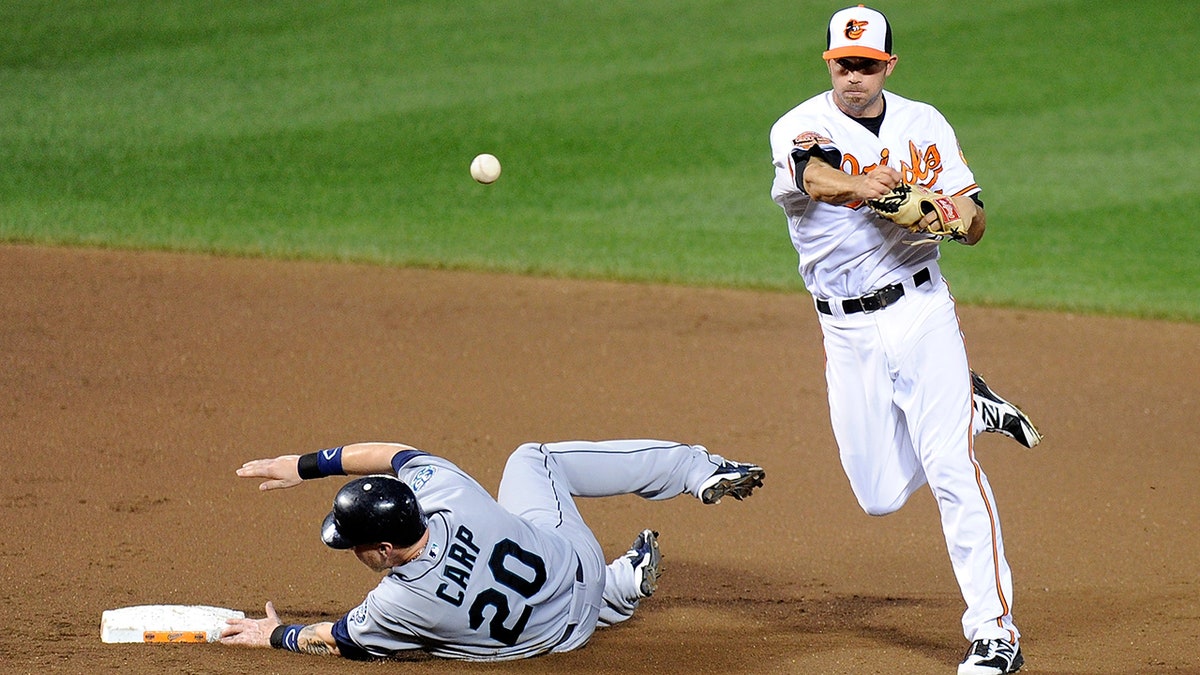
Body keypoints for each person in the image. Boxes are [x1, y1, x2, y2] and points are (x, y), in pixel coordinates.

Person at [768, 6, 1041, 674]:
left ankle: (994, 632)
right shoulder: (802, 125)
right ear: (828, 63)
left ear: (888, 66)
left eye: (866, 65)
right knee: (878, 494)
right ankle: (971, 405)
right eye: (842, 64)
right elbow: (815, 177)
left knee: (951, 469)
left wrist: (946, 212)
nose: (852, 76)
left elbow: (975, 222)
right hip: (845, 328)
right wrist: (868, 189)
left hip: (922, 313)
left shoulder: (926, 123)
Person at [218, 439, 764, 661]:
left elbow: (337, 640)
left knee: (447, 641)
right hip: (579, 567)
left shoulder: (394, 606)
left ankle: (618, 594)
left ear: (384, 549)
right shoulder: (449, 493)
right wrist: (306, 465)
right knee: (534, 459)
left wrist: (277, 635)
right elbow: (396, 452)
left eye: (355, 544)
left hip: (552, 644)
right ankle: (692, 470)